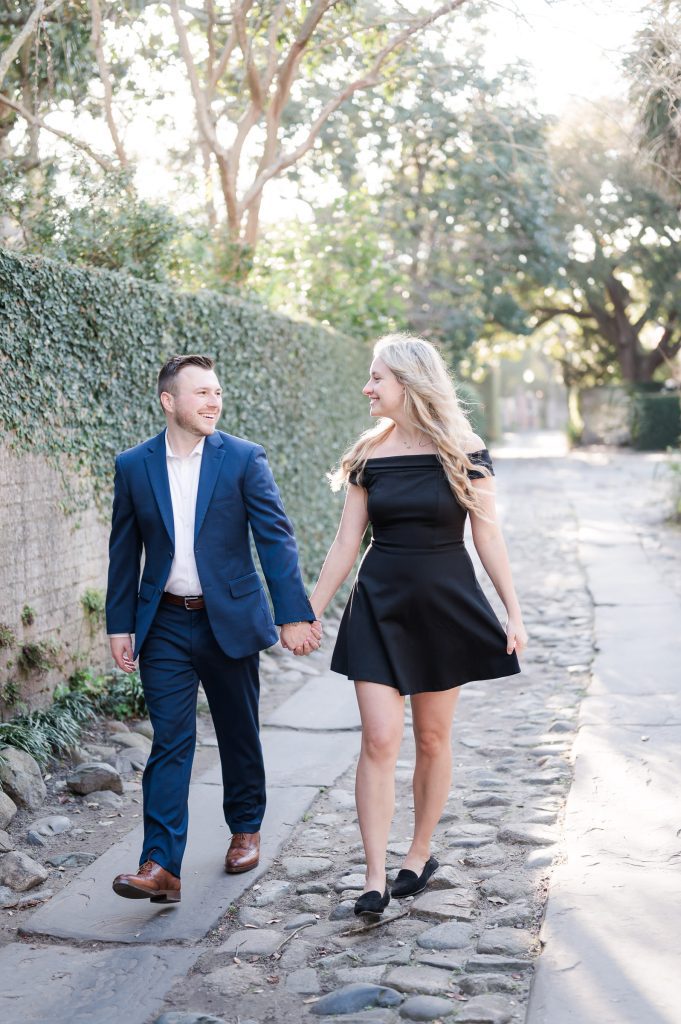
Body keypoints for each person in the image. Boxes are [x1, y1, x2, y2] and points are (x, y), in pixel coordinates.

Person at [304, 334, 527, 918]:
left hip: (443, 606)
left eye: (376, 377)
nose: (367, 387)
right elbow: (346, 542)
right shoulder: (367, 454)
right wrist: (311, 608)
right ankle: (375, 875)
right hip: (379, 605)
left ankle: (419, 853)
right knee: (379, 739)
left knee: (431, 738)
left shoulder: (464, 449)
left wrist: (513, 610)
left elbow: (487, 533)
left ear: (409, 382)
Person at [106, 354, 321, 903]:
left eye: (217, 392)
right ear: (168, 401)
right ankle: (160, 864)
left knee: (237, 730)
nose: (212, 401)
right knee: (170, 743)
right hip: (165, 626)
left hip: (227, 619)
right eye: (200, 392)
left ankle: (245, 828)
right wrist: (119, 622)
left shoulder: (243, 459)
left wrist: (292, 612)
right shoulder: (134, 465)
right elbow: (123, 550)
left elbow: (276, 539)